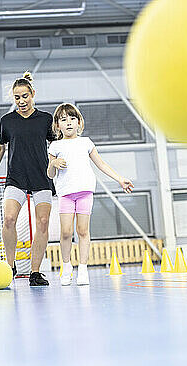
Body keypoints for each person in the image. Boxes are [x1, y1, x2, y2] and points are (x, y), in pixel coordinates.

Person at [47, 103, 134, 285]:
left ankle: (83, 269)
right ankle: (66, 266)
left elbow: (101, 164)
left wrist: (120, 179)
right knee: (66, 232)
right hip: (65, 194)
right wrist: (53, 164)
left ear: (79, 122)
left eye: (72, 119)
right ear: (57, 125)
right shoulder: (55, 146)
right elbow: (50, 174)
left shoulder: (86, 142)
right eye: (63, 120)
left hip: (85, 191)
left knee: (82, 231)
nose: (68, 123)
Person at [0, 72, 55, 286]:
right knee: (9, 219)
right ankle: (10, 266)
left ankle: (34, 272)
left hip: (41, 177)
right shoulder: (7, 121)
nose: (21, 101)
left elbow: (56, 147)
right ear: (13, 98)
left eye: (25, 96)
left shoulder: (45, 119)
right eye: (17, 97)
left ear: (33, 94)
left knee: (42, 223)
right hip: (15, 176)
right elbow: (0, 148)